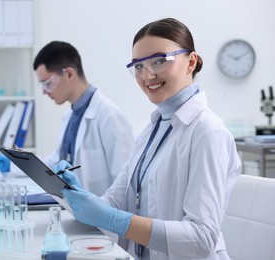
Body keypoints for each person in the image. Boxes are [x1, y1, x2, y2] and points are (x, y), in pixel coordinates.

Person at [59, 18, 241, 260]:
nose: (148, 75)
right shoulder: (153, 129)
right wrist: (81, 197)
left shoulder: (207, 132)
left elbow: (201, 239)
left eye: (159, 61)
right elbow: (117, 199)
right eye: (138, 66)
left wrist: (114, 219)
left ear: (191, 62)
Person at [0, 41, 135, 196]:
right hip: (76, 208)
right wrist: (15, 163)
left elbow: (126, 183)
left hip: (103, 215)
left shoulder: (109, 116)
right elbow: (55, 165)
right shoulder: (70, 116)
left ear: (69, 74)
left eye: (48, 83)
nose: (44, 92)